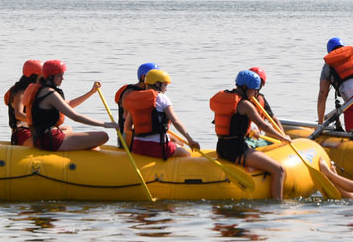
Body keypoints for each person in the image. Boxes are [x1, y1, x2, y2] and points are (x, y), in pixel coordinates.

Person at [212, 69, 295, 199]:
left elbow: (232, 125)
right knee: (279, 170)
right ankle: (277, 206)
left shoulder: (228, 98)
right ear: (245, 87)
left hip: (222, 148)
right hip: (237, 150)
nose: (256, 93)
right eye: (254, 89)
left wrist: (250, 131)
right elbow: (264, 125)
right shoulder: (245, 105)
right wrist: (282, 137)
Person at [24, 59, 114, 151]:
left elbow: (69, 104)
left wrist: (91, 92)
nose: (63, 78)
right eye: (59, 75)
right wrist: (105, 124)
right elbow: (75, 117)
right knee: (103, 136)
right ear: (50, 77)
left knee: (70, 130)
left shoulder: (40, 90)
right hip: (51, 140)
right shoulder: (50, 93)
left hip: (40, 138)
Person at [123, 69, 199, 159]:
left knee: (178, 143)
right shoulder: (163, 98)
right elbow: (175, 121)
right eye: (165, 85)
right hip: (159, 148)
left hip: (138, 148)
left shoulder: (136, 99)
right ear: (157, 84)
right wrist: (190, 140)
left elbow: (127, 128)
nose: (166, 89)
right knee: (186, 154)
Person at [114, 62, 159, 146]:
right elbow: (127, 121)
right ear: (143, 77)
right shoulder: (130, 93)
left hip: (141, 136)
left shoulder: (147, 93)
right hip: (127, 139)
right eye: (155, 78)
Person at [4, 59, 42, 146]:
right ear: (34, 76)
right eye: (41, 76)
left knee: (67, 129)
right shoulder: (20, 93)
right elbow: (19, 114)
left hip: (33, 130)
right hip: (23, 133)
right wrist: (39, 121)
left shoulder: (31, 91)